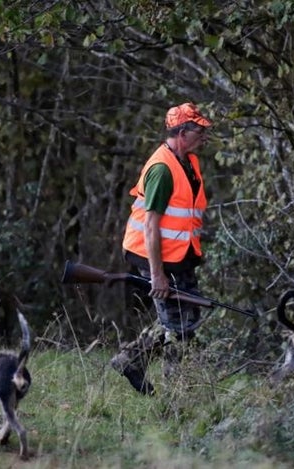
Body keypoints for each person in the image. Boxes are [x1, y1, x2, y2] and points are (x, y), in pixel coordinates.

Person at [110, 102, 212, 395]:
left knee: (186, 318)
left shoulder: (188, 162)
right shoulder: (162, 170)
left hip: (180, 256)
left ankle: (130, 359)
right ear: (182, 132)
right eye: (199, 130)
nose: (204, 136)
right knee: (179, 329)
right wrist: (157, 274)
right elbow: (151, 225)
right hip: (156, 257)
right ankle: (177, 396)